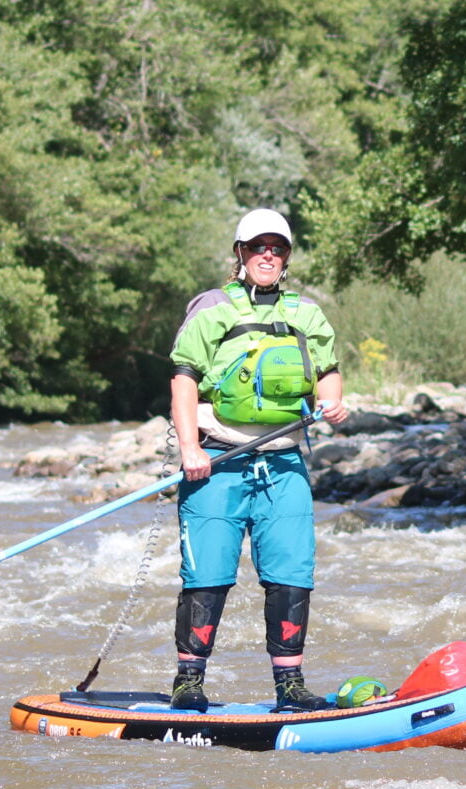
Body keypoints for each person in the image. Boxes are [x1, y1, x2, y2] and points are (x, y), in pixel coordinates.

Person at [167, 208, 348, 712]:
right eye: (258, 246)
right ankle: (189, 680)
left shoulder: (306, 313)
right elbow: (183, 380)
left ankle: (289, 686)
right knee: (208, 573)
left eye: (278, 247)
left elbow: (328, 372)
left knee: (292, 570)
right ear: (240, 253)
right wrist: (189, 448)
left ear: (286, 257)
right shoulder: (211, 308)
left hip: (284, 463)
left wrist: (333, 401)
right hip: (218, 461)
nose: (268, 254)